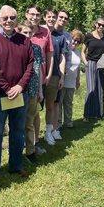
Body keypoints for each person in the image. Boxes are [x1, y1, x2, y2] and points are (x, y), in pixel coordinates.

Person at [0, 5, 33, 182]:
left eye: (12, 18)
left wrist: (20, 86)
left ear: (16, 19)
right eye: (5, 18)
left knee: (18, 131)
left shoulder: (24, 40)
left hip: (20, 94)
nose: (8, 21)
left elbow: (30, 65)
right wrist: (7, 88)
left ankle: (16, 165)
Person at [25, 5, 53, 155]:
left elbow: (49, 54)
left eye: (37, 15)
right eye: (32, 14)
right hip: (19, 83)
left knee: (34, 114)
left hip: (37, 79)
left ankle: (34, 143)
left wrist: (48, 74)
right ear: (26, 14)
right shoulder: (19, 30)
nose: (34, 17)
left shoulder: (45, 32)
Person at [17, 21, 45, 163]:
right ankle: (16, 150)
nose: (27, 35)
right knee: (16, 122)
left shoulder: (36, 49)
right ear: (19, 32)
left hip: (33, 89)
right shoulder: (14, 46)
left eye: (30, 32)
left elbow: (39, 70)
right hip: (17, 90)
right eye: (24, 32)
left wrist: (40, 90)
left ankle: (30, 151)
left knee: (29, 121)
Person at [43, 9, 67, 144]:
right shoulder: (39, 33)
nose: (51, 19)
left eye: (54, 17)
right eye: (49, 17)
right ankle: (30, 138)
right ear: (45, 18)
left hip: (55, 76)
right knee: (33, 109)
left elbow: (62, 57)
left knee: (50, 105)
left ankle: (48, 131)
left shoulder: (60, 37)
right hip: (39, 75)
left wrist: (62, 76)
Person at [82, 18, 104, 121]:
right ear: (95, 24)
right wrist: (86, 63)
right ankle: (87, 114)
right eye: (99, 24)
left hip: (102, 64)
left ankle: (99, 113)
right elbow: (83, 51)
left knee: (100, 88)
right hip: (91, 63)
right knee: (91, 89)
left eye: (103, 25)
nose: (101, 27)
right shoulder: (88, 36)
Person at [59, 29, 84, 128]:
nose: (75, 42)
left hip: (72, 81)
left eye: (78, 41)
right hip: (62, 79)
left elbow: (77, 68)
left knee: (69, 102)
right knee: (59, 102)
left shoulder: (77, 52)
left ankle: (68, 121)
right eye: (74, 39)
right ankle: (58, 122)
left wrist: (77, 80)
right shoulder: (65, 50)